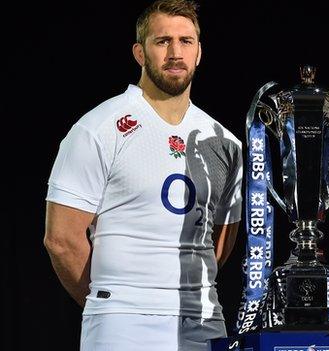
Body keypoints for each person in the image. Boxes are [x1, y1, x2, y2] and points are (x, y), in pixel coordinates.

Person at [43, 1, 242, 349]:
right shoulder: (98, 128)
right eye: (162, 41)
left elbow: (220, 243)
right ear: (140, 52)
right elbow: (61, 239)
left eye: (186, 41)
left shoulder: (225, 142)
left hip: (204, 319)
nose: (175, 52)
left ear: (199, 53)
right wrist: (114, 301)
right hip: (122, 322)